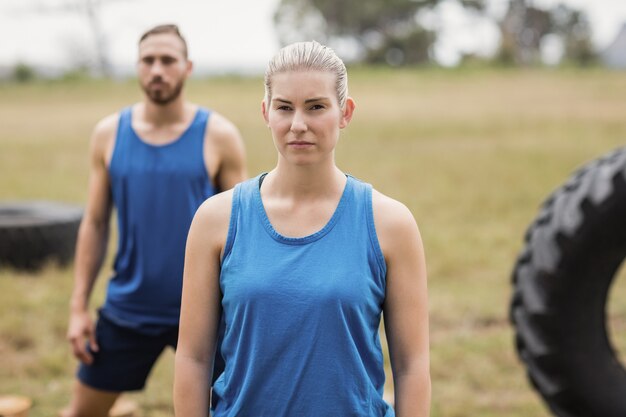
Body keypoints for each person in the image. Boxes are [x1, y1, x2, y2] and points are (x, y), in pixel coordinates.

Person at [174, 41, 430, 416]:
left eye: (316, 107)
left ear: (345, 112)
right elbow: (194, 359)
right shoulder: (216, 220)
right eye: (284, 107)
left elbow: (411, 366)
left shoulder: (390, 224)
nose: (298, 125)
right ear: (266, 112)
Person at [62, 24, 247, 417]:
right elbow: (95, 223)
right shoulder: (110, 134)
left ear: (188, 67)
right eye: (148, 61)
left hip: (206, 312)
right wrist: (79, 307)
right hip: (129, 309)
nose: (157, 70)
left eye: (168, 60)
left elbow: (245, 234)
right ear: (137, 67)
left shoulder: (219, 135)